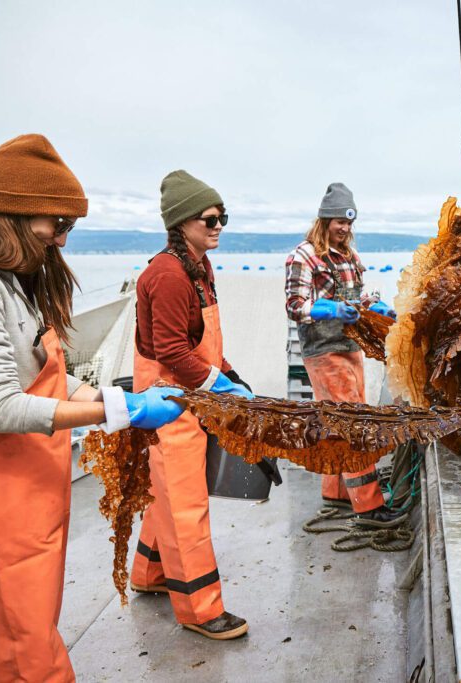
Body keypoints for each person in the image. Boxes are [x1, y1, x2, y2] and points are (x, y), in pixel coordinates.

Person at [0, 134, 184, 682]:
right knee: (21, 640)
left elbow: (54, 384)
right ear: (14, 214)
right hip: (7, 501)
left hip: (36, 494)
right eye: (57, 224)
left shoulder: (21, 285)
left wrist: (121, 399)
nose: (61, 239)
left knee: (35, 619)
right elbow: (2, 406)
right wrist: (119, 414)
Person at [128, 170, 254, 641]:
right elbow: (170, 352)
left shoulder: (200, 267)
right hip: (169, 401)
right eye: (210, 218)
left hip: (193, 392)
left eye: (223, 217)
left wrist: (232, 376)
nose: (219, 225)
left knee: (167, 493)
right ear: (182, 223)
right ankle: (200, 610)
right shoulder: (166, 274)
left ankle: (149, 573)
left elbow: (201, 343)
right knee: (186, 505)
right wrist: (216, 385)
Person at [284, 182, 404, 527]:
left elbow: (357, 298)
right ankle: (369, 509)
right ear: (324, 220)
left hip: (350, 350)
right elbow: (295, 306)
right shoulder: (303, 256)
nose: (345, 229)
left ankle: (336, 495)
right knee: (355, 427)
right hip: (323, 352)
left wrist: (375, 309)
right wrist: (330, 311)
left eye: (350, 223)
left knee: (339, 425)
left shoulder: (350, 256)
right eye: (339, 222)